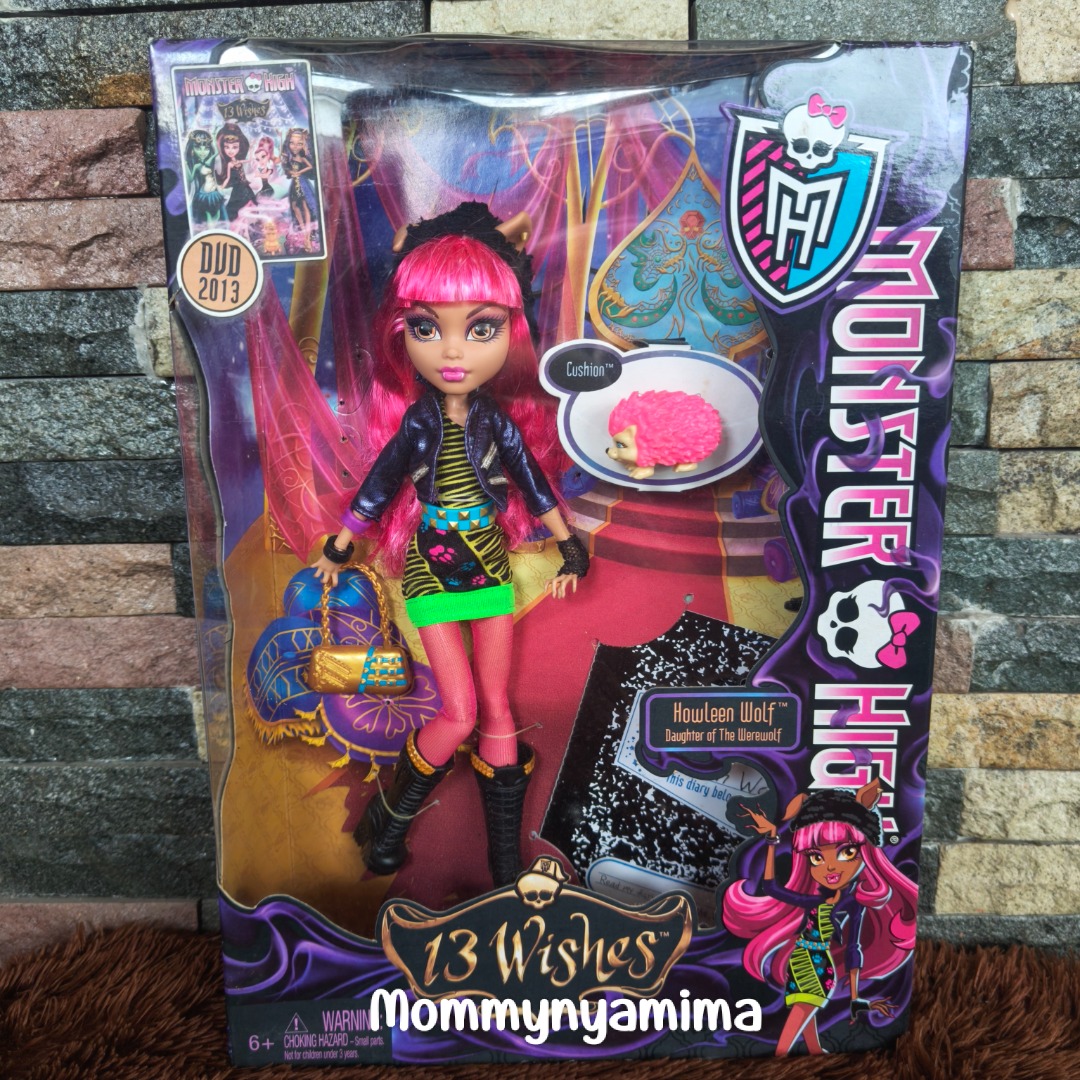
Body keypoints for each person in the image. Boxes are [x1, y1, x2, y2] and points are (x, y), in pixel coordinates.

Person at [310, 203, 589, 887]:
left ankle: (503, 865)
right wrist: (340, 549)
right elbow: (376, 489)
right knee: (459, 713)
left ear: (510, 332)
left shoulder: (497, 423)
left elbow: (533, 485)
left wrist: (571, 548)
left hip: (488, 563)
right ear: (402, 331)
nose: (453, 351)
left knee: (498, 709)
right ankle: (388, 822)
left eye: (481, 328)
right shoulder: (416, 424)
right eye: (427, 328)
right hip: (433, 569)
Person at [722, 781, 917, 1055]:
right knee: (806, 1006)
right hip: (805, 959)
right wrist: (771, 840)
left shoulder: (854, 903)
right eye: (816, 857)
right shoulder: (813, 900)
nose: (830, 867)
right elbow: (772, 888)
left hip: (819, 960)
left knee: (808, 1005)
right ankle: (782, 1055)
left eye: (846, 852)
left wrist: (855, 997)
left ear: (866, 851)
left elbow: (853, 949)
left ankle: (812, 1050)